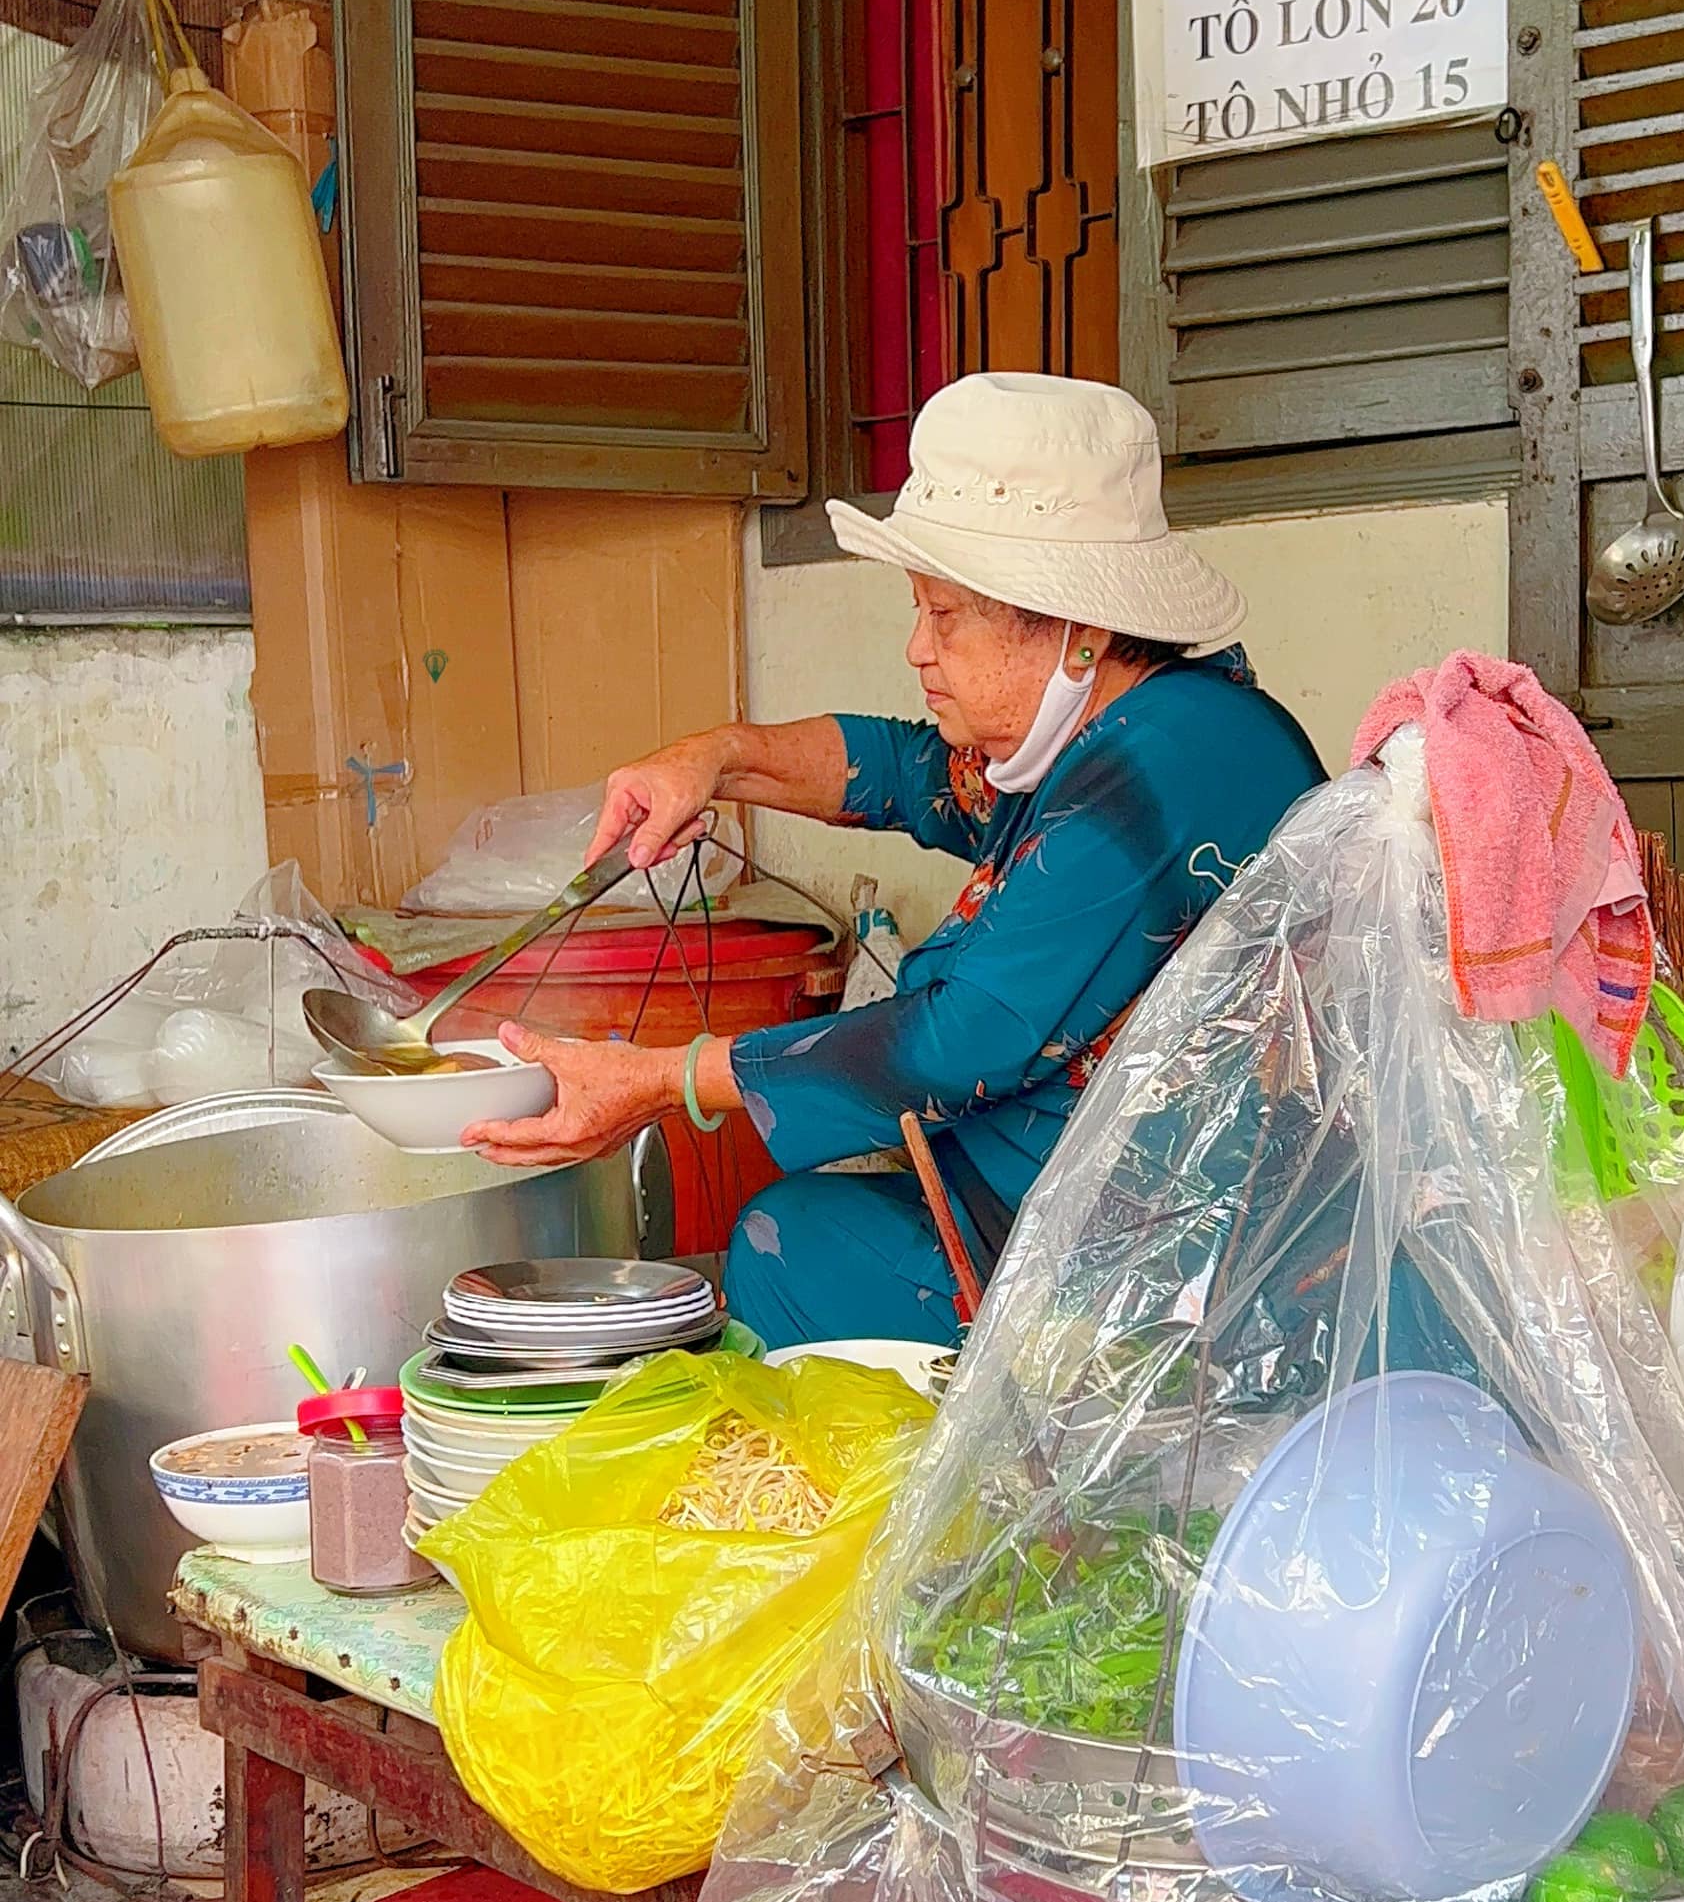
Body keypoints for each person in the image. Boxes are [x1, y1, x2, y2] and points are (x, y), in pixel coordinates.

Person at [467, 372, 1327, 1347]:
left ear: (1076, 626)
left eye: (945, 614)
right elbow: (906, 769)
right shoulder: (1118, 726)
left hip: (1185, 1284)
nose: (916, 647)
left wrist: (667, 1079)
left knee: (792, 1248)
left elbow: (963, 1035)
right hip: (1081, 1212)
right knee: (800, 1229)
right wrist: (717, 758)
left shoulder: (1166, 764)